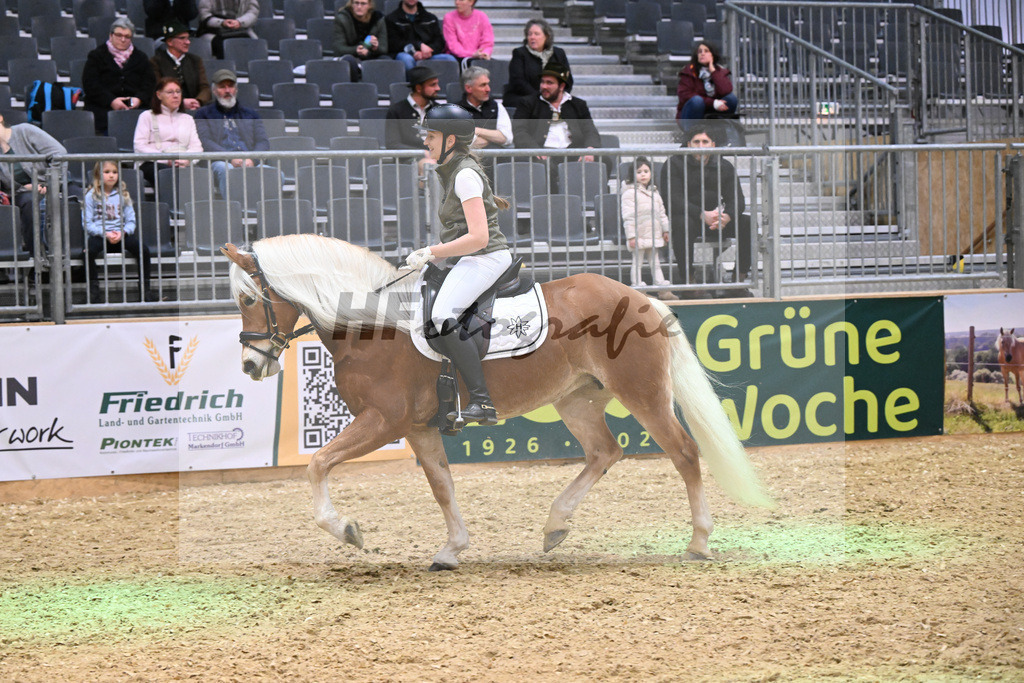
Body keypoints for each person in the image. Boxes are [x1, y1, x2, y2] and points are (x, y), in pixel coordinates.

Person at [404, 104, 512, 425]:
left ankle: (482, 401)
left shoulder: (464, 175)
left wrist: (434, 250)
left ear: (450, 140)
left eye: (432, 135)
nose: (427, 142)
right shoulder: (453, 171)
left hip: (487, 256)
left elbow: (479, 237)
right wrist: (431, 258)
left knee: (441, 315)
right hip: (471, 257)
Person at [659, 124, 752, 294]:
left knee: (748, 223)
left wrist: (728, 216)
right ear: (688, 144)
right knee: (682, 223)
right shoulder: (674, 163)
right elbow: (673, 199)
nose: (700, 146)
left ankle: (738, 281)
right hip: (688, 217)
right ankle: (689, 281)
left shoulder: (724, 166)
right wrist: (702, 215)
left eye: (705, 141)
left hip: (714, 220)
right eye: (696, 142)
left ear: (713, 145)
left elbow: (738, 199)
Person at [512, 61, 600, 189]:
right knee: (542, 165)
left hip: (573, 153)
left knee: (602, 160)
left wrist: (589, 149)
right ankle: (552, 205)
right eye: (543, 82)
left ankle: (583, 202)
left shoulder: (578, 104)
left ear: (562, 86)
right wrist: (534, 149)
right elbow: (519, 131)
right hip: (542, 152)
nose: (544, 86)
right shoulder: (528, 103)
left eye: (550, 83)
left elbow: (590, 130)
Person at [84, 161, 155, 302]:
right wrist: (105, 233)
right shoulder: (90, 196)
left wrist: (123, 232)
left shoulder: (123, 195)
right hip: (100, 235)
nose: (111, 176)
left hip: (120, 234)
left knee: (144, 250)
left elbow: (131, 220)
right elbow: (87, 223)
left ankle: (145, 290)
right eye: (107, 172)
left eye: (114, 172)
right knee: (88, 253)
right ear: (98, 175)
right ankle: (93, 292)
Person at [194, 69, 270, 199]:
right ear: (214, 91)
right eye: (222, 87)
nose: (227, 90)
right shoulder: (203, 114)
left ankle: (266, 211)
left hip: (249, 160)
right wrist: (230, 158)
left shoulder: (250, 114)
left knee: (276, 174)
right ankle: (235, 211)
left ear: (236, 90)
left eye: (230, 86)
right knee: (226, 169)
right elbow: (205, 142)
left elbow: (263, 141)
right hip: (220, 161)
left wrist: (253, 159)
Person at [0, 114, 67, 257]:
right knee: (29, 202)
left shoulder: (25, 131)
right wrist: (28, 188)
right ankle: (36, 258)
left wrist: (50, 184)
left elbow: (59, 154)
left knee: (76, 196)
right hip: (22, 194)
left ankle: (75, 260)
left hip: (55, 182)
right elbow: (5, 187)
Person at [82, 17, 156, 134]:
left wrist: (138, 99)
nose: (123, 39)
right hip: (103, 108)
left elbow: (149, 84)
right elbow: (90, 84)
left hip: (135, 107)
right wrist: (111, 101)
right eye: (119, 35)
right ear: (111, 36)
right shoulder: (96, 56)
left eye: (127, 37)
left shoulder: (141, 57)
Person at [620, 157, 676, 301]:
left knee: (656, 262)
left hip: (654, 234)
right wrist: (631, 236)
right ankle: (638, 288)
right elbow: (628, 216)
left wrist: (666, 230)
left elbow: (662, 213)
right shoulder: (629, 194)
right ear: (633, 175)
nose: (643, 174)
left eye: (646, 171)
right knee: (637, 262)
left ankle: (663, 290)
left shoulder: (655, 194)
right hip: (639, 236)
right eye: (639, 172)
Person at [133, 77, 204, 187]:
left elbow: (197, 147)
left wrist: (187, 160)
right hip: (153, 163)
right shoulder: (146, 116)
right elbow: (139, 146)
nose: (175, 95)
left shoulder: (188, 118)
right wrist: (167, 159)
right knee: (170, 174)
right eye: (170, 92)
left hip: (183, 163)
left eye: (178, 92)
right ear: (159, 95)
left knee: (202, 175)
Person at [503, 19, 572, 112]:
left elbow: (568, 80)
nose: (532, 37)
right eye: (530, 34)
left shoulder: (558, 54)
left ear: (546, 36)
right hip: (524, 97)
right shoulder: (519, 53)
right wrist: (541, 97)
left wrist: (557, 96)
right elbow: (518, 82)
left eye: (536, 34)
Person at [150, 21, 211, 111]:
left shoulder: (195, 60)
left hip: (194, 108)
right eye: (182, 38)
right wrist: (181, 102)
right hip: (167, 109)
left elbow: (204, 87)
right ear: (170, 42)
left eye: (188, 38)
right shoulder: (156, 62)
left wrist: (198, 101)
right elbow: (158, 90)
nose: (188, 42)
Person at [676, 41, 738, 128]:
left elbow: (726, 90)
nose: (702, 54)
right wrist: (713, 103)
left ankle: (719, 129)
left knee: (731, 99)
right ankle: (692, 133)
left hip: (711, 113)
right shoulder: (688, 71)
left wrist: (713, 71)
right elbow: (685, 95)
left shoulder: (720, 71)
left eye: (706, 51)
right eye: (700, 51)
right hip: (690, 115)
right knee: (697, 101)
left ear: (712, 54)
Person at [384, 0, 457, 73]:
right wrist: (417, 47)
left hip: (428, 55)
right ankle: (413, 84)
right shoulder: (391, 19)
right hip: (404, 54)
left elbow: (439, 42)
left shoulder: (430, 18)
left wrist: (429, 51)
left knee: (449, 59)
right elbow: (394, 44)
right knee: (407, 59)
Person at [455, 66, 512, 153]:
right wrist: (493, 137)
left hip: (497, 160)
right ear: (468, 88)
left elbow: (507, 138)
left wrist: (476, 130)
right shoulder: (455, 111)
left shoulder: (497, 106)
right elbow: (463, 142)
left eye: (488, 84)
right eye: (483, 85)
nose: (488, 89)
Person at [333, 0, 390, 83]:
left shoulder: (378, 19)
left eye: (363, 4)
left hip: (371, 55)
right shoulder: (342, 19)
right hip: (351, 55)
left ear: (369, 5)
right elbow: (338, 48)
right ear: (351, 4)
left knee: (386, 60)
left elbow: (384, 48)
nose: (359, 7)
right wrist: (356, 50)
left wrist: (375, 47)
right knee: (349, 61)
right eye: (356, 3)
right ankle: (355, 89)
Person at [384, 65, 439, 150]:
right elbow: (393, 144)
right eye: (433, 85)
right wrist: (421, 153)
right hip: (410, 159)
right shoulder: (397, 110)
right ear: (419, 88)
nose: (438, 88)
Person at [442, 0, 494, 68]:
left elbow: (487, 40)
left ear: (471, 2)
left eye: (461, 0)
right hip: (457, 58)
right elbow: (452, 44)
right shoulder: (449, 17)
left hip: (479, 56)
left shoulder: (482, 16)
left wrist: (484, 53)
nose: (457, 2)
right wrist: (472, 54)